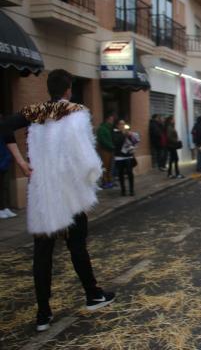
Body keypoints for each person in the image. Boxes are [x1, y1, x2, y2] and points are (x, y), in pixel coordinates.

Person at [0, 69, 115, 332]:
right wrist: (93, 177)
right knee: (77, 246)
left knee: (42, 254)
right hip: (69, 191)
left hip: (44, 189)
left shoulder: (35, 111)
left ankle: (43, 314)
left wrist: (22, 164)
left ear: (50, 89)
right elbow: (86, 159)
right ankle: (93, 295)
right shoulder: (76, 111)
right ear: (68, 89)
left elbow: (4, 126)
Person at [112, 120, 139, 196]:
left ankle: (131, 190)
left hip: (128, 156)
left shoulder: (127, 133)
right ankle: (123, 190)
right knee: (120, 174)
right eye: (121, 124)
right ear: (117, 125)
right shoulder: (115, 133)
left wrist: (131, 136)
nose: (122, 125)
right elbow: (117, 142)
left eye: (123, 124)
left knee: (130, 173)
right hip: (119, 157)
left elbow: (134, 142)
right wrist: (124, 135)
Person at [0, 114, 17, 219]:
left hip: (4, 161)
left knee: (4, 187)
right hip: (2, 160)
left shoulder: (4, 129)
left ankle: (4, 207)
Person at [97, 113, 115, 189]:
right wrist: (112, 146)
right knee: (105, 167)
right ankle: (105, 182)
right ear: (107, 119)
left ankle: (110, 181)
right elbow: (103, 140)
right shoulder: (102, 128)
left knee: (110, 167)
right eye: (111, 120)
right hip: (104, 150)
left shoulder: (111, 128)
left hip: (110, 150)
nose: (112, 121)